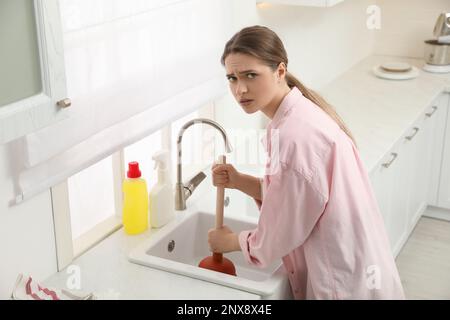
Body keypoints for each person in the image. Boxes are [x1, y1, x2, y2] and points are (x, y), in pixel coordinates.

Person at [208, 25, 405, 300]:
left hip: (342, 281)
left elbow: (276, 237)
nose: (240, 89)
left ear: (279, 71)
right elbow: (297, 197)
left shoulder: (294, 137)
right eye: (231, 78)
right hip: (358, 266)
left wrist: (230, 241)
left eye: (250, 75)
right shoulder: (297, 116)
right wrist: (240, 181)